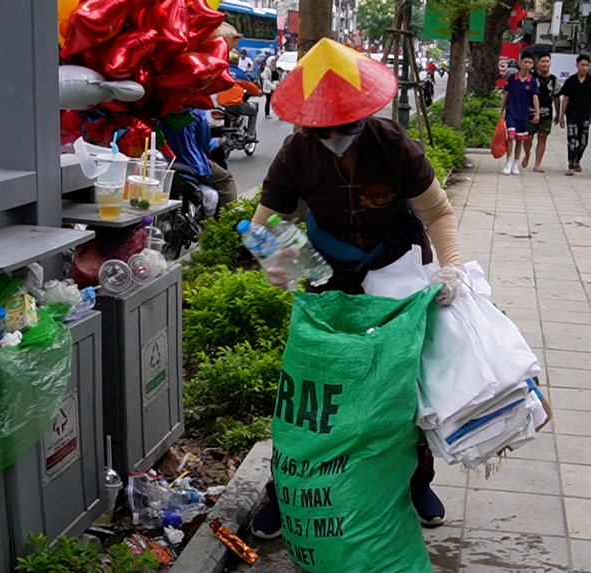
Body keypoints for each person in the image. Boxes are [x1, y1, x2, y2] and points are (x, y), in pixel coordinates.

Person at [249, 38, 463, 540]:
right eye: (324, 131)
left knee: (404, 381)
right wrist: (274, 260)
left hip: (394, 262)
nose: (336, 138)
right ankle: (288, 490)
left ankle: (415, 482)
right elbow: (264, 223)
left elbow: (436, 213)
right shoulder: (297, 153)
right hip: (327, 268)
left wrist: (451, 270)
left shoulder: (395, 147)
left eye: (346, 129)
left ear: (364, 116)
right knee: (313, 386)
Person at [161, 108, 238, 206]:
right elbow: (205, 145)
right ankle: (230, 218)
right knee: (227, 180)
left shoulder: (160, 112)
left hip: (166, 163)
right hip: (194, 164)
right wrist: (219, 141)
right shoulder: (197, 113)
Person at [559, 54, 591, 176]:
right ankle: (571, 164)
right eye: (582, 65)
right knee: (572, 139)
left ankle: (577, 159)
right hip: (572, 114)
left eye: (587, 65)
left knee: (583, 141)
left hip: (585, 114)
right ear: (577, 65)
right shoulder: (571, 81)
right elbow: (565, 99)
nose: (584, 68)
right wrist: (562, 115)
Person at [499, 53, 540, 175]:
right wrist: (501, 110)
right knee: (510, 136)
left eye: (530, 63)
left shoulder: (532, 81)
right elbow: (506, 95)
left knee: (519, 140)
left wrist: (537, 113)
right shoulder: (512, 79)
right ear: (520, 63)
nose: (527, 65)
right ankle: (508, 162)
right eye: (525, 62)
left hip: (523, 114)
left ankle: (516, 163)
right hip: (511, 112)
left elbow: (535, 98)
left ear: (532, 65)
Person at [522, 53, 561, 173]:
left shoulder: (554, 80)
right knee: (528, 137)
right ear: (537, 63)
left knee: (542, 137)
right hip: (530, 113)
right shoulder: (531, 78)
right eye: (542, 61)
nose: (545, 64)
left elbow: (556, 98)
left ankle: (538, 164)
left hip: (547, 113)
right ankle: (527, 153)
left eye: (547, 61)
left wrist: (558, 114)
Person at [217, 50, 261, 141]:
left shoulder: (221, 72)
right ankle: (250, 135)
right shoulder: (240, 74)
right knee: (253, 112)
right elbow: (252, 87)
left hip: (221, 104)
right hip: (235, 104)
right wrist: (258, 93)